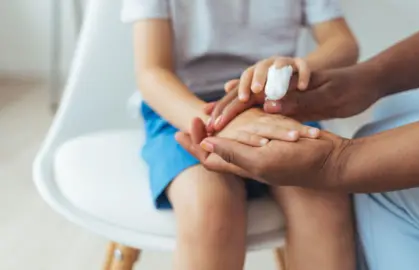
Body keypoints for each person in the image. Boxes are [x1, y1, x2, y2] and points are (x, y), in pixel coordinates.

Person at [176, 1, 419, 270]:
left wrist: (341, 163)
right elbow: (151, 72)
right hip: (196, 110)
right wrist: (371, 79)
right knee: (392, 114)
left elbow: (341, 41)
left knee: (380, 182)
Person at [121, 0, 359, 269]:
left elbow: (343, 43)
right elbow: (152, 72)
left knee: (325, 204)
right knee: (210, 208)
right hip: (185, 110)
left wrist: (297, 66)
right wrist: (218, 121)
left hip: (277, 108)